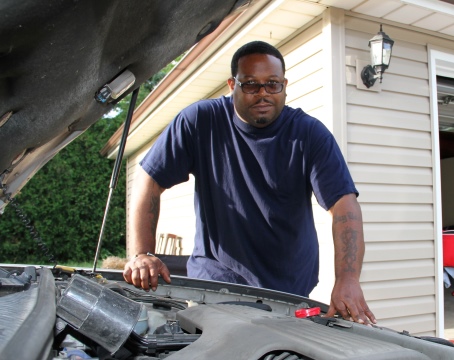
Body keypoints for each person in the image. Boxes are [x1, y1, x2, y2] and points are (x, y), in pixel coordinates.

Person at [123, 40, 376, 325]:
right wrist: (141, 253)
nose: (263, 93)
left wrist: (348, 279)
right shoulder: (199, 122)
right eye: (251, 85)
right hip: (216, 286)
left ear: (284, 85)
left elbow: (344, 207)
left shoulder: (309, 134)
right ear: (232, 85)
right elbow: (149, 181)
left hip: (289, 291)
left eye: (272, 84)